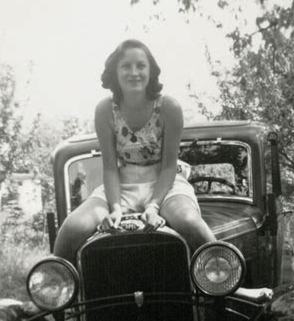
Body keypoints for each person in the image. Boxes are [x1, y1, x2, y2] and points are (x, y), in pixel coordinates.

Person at [53, 39, 216, 263]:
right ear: (115, 72)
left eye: (141, 65)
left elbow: (169, 166)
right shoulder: (104, 110)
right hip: (122, 183)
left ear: (151, 71)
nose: (134, 72)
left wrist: (154, 206)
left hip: (164, 183)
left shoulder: (169, 107)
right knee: (73, 227)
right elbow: (110, 167)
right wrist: (115, 208)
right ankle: (57, 289)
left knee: (189, 222)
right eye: (126, 66)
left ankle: (227, 281)